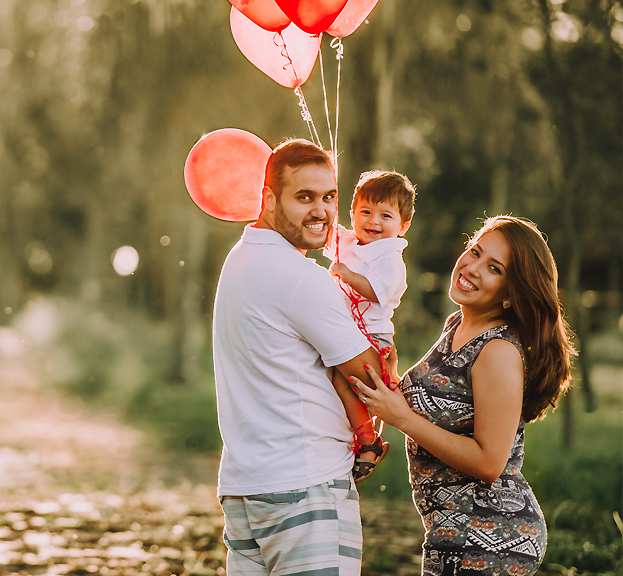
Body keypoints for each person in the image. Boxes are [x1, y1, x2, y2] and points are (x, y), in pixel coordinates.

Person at [350, 216, 574, 576]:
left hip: (490, 535)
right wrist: (393, 382)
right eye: (475, 251)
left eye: (494, 268)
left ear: (511, 292)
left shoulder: (497, 350)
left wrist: (400, 417)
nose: (471, 268)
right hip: (451, 531)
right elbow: (442, 409)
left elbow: (490, 463)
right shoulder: (459, 323)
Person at [212, 138, 385, 576]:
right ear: (268, 199)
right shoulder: (298, 277)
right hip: (304, 485)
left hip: (247, 486)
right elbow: (370, 374)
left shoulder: (240, 259)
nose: (322, 211)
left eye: (329, 197)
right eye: (304, 197)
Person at [324, 170, 417, 482]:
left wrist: (348, 276)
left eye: (385, 215)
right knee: (341, 383)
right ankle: (363, 435)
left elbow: (375, 291)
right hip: (349, 333)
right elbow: (326, 232)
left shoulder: (390, 258)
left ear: (403, 226)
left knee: (355, 384)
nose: (373, 221)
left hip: (372, 337)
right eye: (365, 211)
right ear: (353, 214)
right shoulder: (351, 242)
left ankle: (368, 441)